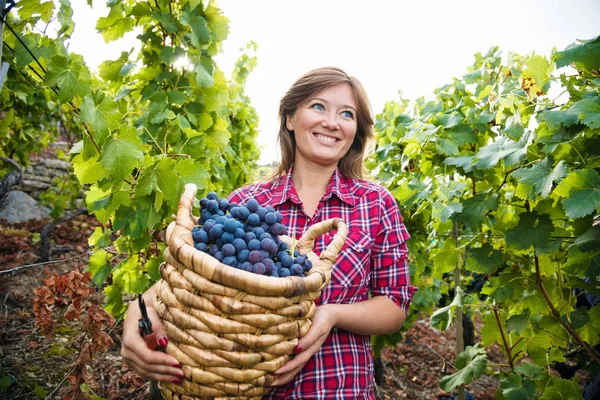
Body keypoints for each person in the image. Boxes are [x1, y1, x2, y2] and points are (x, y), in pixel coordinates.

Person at [121, 66, 418, 399]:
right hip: (245, 389)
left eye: (347, 114)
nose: (332, 122)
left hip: (340, 389)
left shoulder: (376, 204)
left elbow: (394, 305)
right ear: (290, 117)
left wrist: (330, 315)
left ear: (355, 131)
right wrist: (139, 309)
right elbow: (191, 277)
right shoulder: (245, 204)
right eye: (318, 106)